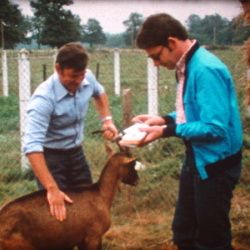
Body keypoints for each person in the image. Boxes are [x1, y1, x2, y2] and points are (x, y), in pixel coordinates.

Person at [132, 13, 243, 250]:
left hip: (217, 165)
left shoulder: (205, 69)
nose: (155, 63)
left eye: (156, 56)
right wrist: (161, 120)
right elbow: (191, 112)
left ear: (171, 42)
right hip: (198, 158)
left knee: (212, 240)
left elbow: (215, 127)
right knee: (184, 233)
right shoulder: (187, 66)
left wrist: (166, 131)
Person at [24, 42, 118, 222]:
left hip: (76, 154)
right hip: (51, 158)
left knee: (87, 205)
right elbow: (32, 147)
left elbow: (99, 92)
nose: (79, 81)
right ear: (58, 69)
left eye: (82, 75)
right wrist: (51, 188)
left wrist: (107, 120)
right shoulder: (43, 99)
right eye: (73, 76)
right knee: (57, 216)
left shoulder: (87, 78)